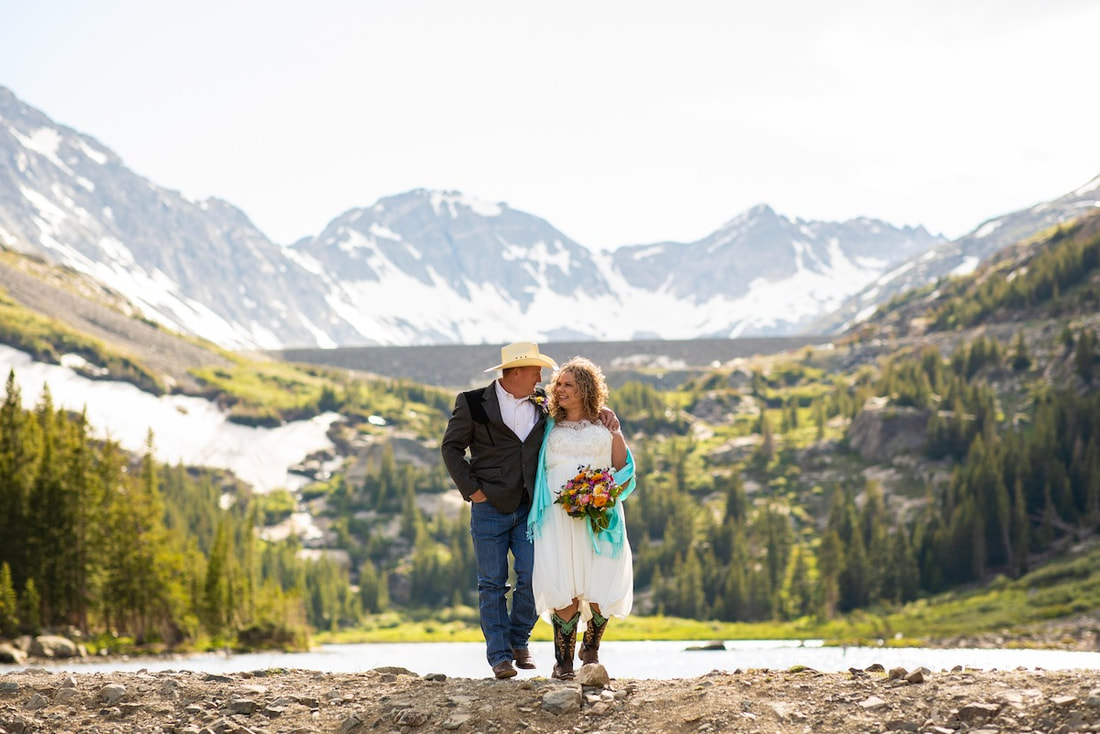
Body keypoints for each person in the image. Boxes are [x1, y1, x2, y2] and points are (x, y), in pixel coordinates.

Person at [441, 341, 558, 679]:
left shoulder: (544, 404)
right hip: (488, 506)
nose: (541, 376)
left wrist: (605, 416)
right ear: (516, 371)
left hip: (531, 507)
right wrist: (473, 492)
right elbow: (451, 448)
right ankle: (500, 657)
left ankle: (519, 639)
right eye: (536, 370)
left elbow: (573, 422)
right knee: (492, 583)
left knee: (534, 576)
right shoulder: (473, 402)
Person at [527, 356, 636, 680]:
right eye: (558, 384)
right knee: (563, 581)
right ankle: (563, 662)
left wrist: (601, 493)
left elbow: (623, 470)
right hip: (556, 515)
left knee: (600, 581)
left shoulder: (606, 425)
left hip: (599, 514)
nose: (560, 390)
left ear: (586, 389)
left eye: (568, 385)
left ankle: (590, 649)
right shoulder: (547, 422)